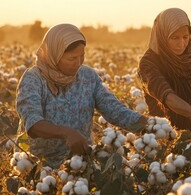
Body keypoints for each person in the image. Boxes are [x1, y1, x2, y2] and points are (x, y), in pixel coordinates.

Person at [16, 24, 147, 168]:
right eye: (72, 58)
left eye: (82, 56)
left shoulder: (87, 76)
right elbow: (33, 124)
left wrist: (148, 125)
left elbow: (113, 109)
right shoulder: (33, 79)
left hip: (80, 163)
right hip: (39, 166)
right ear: (54, 55)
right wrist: (66, 133)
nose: (78, 63)